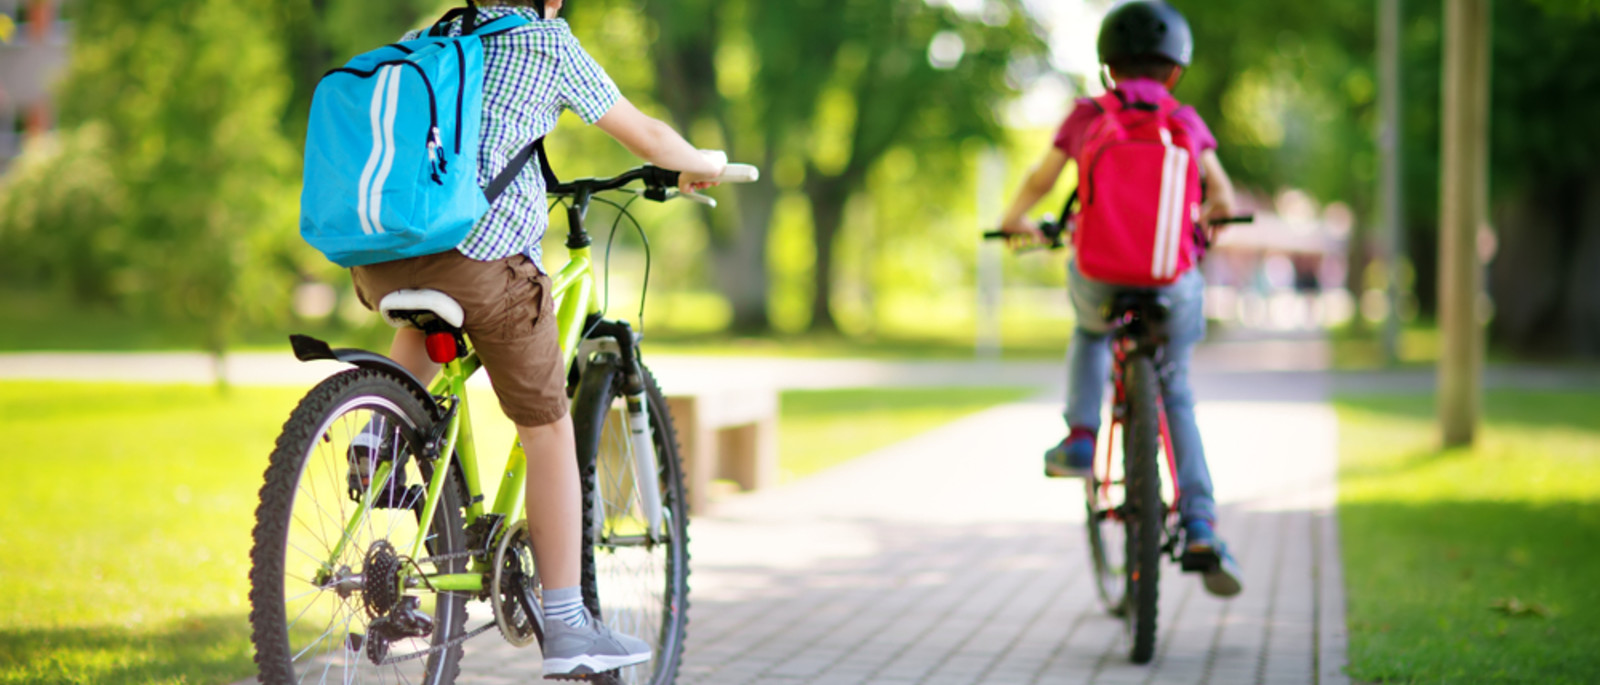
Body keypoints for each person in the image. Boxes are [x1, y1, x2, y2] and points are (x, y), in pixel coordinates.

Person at [346, 0, 724, 676]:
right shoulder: (545, 42)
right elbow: (645, 134)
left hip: (384, 259)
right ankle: (568, 622)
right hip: (483, 268)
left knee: (423, 323)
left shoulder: (432, 33)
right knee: (548, 427)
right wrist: (704, 163)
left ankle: (374, 435)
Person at [996, 0, 1242, 597]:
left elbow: (1041, 178)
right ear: (1175, 69)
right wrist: (1210, 217)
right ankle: (1202, 521)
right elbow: (1224, 197)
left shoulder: (1088, 115)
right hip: (1171, 279)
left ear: (1108, 64)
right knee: (1176, 388)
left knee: (1089, 330)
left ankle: (1081, 437)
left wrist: (1014, 219)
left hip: (1101, 273)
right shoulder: (1184, 120)